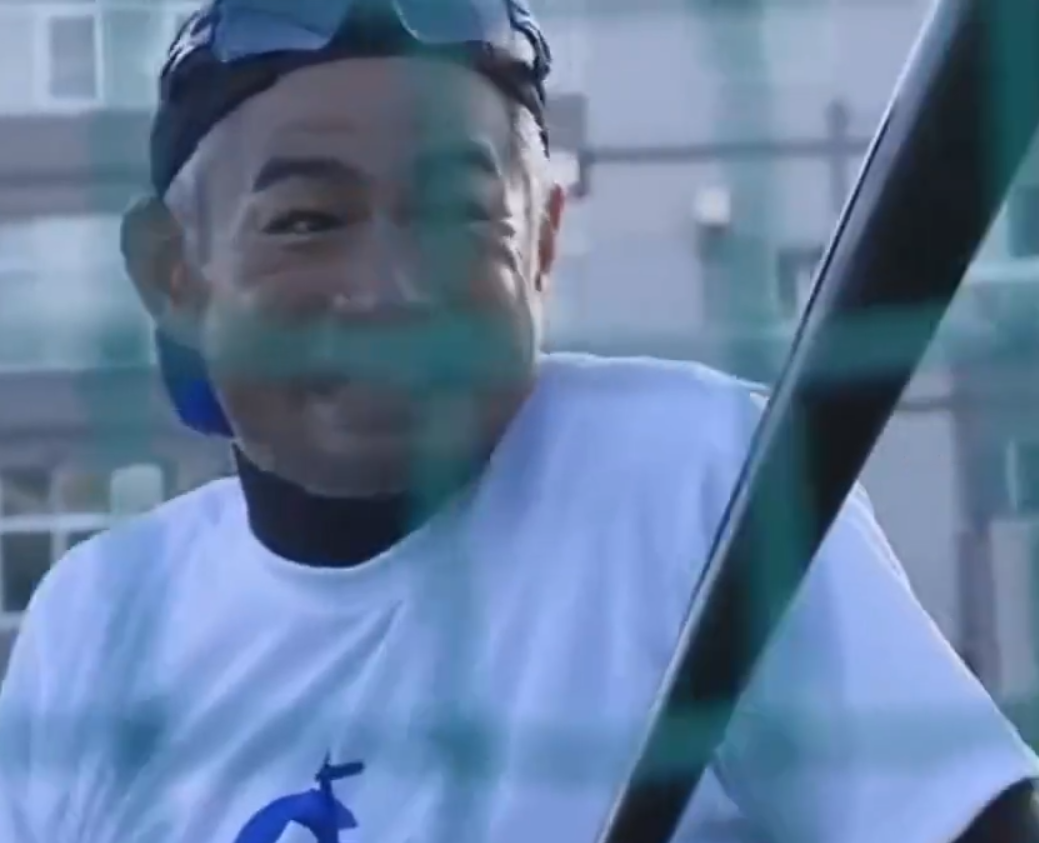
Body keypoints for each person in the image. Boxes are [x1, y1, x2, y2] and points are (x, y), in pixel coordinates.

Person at [0, 2, 1037, 842]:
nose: (393, 288)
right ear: (175, 276)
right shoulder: (99, 617)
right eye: (307, 221)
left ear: (540, 246)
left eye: (461, 216)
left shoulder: (693, 482)